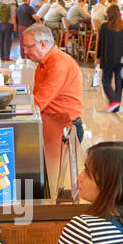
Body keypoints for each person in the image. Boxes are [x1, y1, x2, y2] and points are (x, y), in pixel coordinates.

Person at [22, 23, 83, 195]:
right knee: (52, 179)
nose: (25, 51)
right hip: (51, 125)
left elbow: (38, 102)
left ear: (43, 44)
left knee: (60, 185)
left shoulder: (58, 64)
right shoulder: (44, 63)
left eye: (28, 46)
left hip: (65, 128)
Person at [97, 4, 123, 114]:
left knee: (106, 81)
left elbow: (101, 44)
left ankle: (114, 102)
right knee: (118, 83)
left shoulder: (104, 27)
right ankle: (116, 104)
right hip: (122, 59)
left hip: (108, 58)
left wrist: (98, 57)